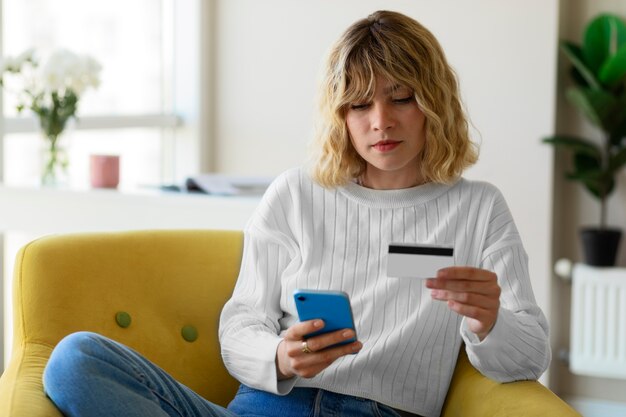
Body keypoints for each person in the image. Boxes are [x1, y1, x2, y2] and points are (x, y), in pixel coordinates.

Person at [43, 10, 550, 417]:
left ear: (434, 102)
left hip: (378, 411)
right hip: (266, 406)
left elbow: (530, 357)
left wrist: (489, 322)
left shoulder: (478, 208)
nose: (380, 122)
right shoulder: (295, 194)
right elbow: (242, 322)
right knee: (75, 360)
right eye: (358, 105)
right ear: (340, 115)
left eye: (402, 97)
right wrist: (279, 358)